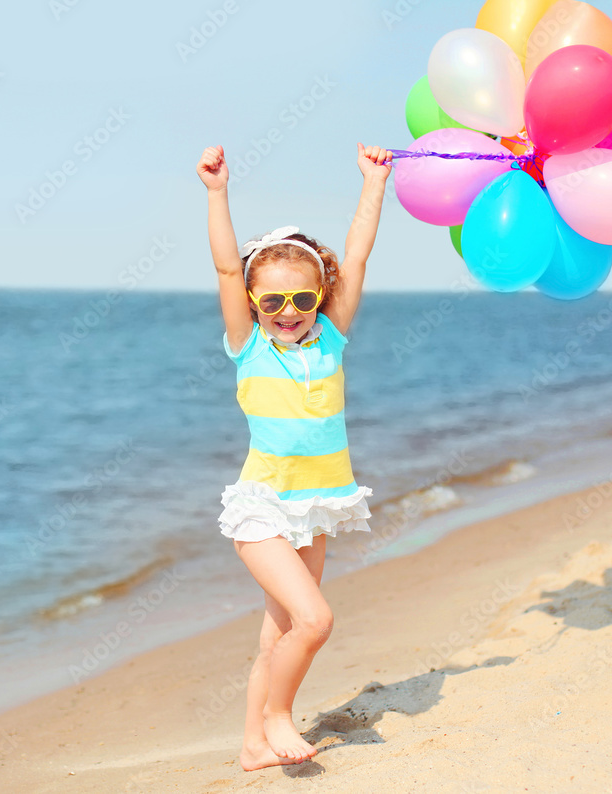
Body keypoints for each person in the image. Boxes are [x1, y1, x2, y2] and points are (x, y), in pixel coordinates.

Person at [196, 142, 393, 770]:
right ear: (254, 303)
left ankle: (255, 744)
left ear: (319, 298)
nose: (288, 313)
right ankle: (280, 716)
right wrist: (217, 193)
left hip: (318, 504)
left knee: (278, 634)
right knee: (314, 620)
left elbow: (356, 256)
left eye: (301, 300)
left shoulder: (330, 338)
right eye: (273, 301)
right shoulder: (249, 348)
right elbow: (229, 268)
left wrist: (374, 183)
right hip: (264, 506)